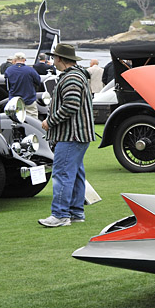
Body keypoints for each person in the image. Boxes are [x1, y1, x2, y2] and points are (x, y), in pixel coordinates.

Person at [38, 43, 95, 227]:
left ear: (60, 59)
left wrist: (49, 121)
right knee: (76, 174)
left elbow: (70, 105)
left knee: (62, 173)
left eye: (54, 57)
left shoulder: (71, 78)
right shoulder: (78, 75)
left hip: (71, 135)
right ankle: (76, 212)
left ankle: (60, 215)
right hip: (78, 135)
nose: (53, 61)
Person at [5, 51, 42, 118]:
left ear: (14, 60)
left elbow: (8, 86)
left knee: (15, 120)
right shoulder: (30, 70)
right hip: (29, 100)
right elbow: (38, 81)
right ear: (24, 60)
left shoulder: (8, 70)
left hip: (14, 101)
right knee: (33, 120)